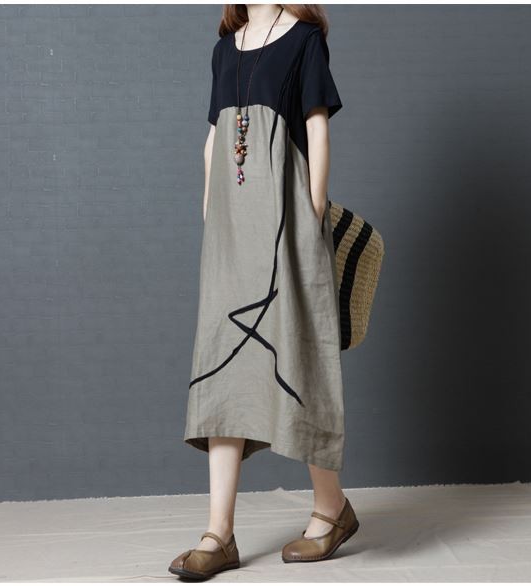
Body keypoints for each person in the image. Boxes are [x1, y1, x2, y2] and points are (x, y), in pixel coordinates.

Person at [169, 4, 358, 579]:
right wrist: (212, 217)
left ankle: (331, 508)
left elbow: (317, 128)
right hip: (230, 231)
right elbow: (213, 139)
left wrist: (312, 217)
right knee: (223, 366)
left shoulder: (303, 40)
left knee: (296, 360)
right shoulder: (224, 48)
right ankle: (218, 533)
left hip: (287, 222)